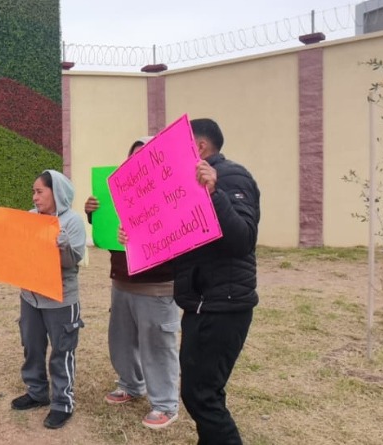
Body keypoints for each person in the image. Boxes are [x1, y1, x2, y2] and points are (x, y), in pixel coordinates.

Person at [120, 118, 260, 444]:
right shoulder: (184, 187)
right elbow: (181, 251)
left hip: (224, 306)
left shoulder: (232, 177)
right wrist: (137, 239)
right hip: (199, 304)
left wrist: (214, 193)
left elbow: (243, 239)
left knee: (201, 394)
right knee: (201, 391)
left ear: (198, 146)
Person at [84, 137, 180, 430]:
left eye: (144, 157)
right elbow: (108, 231)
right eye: (132, 157)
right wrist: (94, 213)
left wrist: (141, 236)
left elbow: (177, 236)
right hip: (122, 282)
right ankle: (131, 384)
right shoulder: (118, 192)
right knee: (121, 341)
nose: (136, 163)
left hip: (157, 286)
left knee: (157, 345)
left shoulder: (171, 194)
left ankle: (165, 404)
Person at [11, 170, 86, 430]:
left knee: (62, 350)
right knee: (31, 346)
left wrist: (63, 246)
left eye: (39, 191)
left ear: (57, 193)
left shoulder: (72, 221)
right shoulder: (30, 218)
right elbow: (14, 246)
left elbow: (72, 262)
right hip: (30, 297)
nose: (34, 197)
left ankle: (62, 403)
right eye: (34, 192)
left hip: (60, 299)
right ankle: (37, 392)